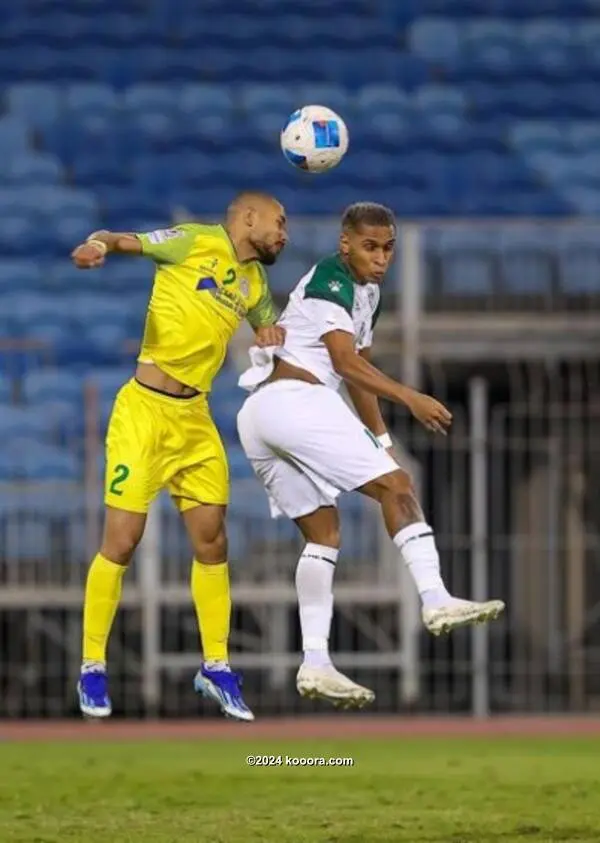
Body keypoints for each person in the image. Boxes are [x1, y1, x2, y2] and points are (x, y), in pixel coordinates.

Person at [236, 202, 504, 709]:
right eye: (370, 247)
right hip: (296, 400)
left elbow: (357, 370)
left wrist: (381, 440)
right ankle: (436, 599)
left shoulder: (369, 293)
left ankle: (315, 662)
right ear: (345, 244)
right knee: (398, 487)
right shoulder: (332, 278)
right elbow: (343, 363)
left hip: (260, 417)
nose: (381, 258)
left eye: (388, 248)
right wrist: (411, 397)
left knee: (324, 534)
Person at [71, 191, 288, 722]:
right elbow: (124, 240)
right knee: (121, 541)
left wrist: (268, 330)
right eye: (279, 222)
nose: (285, 233)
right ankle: (92, 666)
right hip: (144, 413)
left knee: (213, 541)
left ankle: (215, 665)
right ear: (248, 217)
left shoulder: (256, 283)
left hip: (196, 421)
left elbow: (266, 320)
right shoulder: (195, 240)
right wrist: (97, 245)